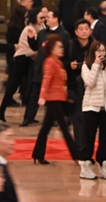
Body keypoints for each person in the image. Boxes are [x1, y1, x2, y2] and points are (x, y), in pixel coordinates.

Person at [30, 36, 77, 164]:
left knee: (45, 128)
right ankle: (77, 155)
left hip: (59, 98)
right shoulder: (50, 62)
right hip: (53, 99)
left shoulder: (58, 62)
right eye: (59, 47)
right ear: (51, 49)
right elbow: (46, 80)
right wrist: (42, 96)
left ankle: (37, 154)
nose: (62, 49)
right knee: (64, 129)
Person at [79, 39, 106, 180]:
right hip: (91, 106)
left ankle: (103, 165)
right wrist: (96, 66)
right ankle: (85, 167)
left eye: (103, 51)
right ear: (93, 52)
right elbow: (90, 83)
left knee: (105, 138)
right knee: (88, 138)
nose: (101, 53)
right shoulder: (86, 66)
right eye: (99, 51)